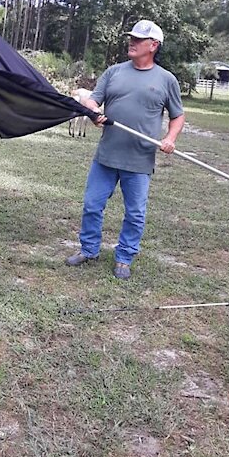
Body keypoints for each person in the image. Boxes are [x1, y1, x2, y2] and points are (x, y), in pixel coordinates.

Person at [65, 19, 184, 280]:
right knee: (92, 205)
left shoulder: (166, 80)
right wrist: (93, 110)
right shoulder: (114, 72)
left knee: (135, 213)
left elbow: (178, 116)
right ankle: (89, 249)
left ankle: (125, 257)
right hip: (107, 155)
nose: (132, 42)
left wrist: (170, 138)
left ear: (153, 45)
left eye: (139, 39)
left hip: (140, 159)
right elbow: (93, 99)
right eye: (131, 38)